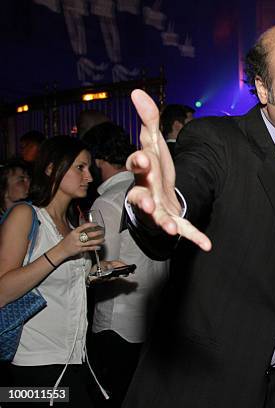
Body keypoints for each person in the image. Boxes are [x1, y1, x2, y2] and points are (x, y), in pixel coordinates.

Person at [123, 22, 275, 407]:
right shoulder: (217, 141)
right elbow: (189, 183)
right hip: (199, 384)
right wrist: (161, 208)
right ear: (263, 89)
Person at [0, 136, 122, 407]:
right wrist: (62, 250)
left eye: (89, 168)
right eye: (80, 167)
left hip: (74, 358)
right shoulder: (26, 215)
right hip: (35, 368)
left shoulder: (71, 222)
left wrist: (95, 273)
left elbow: (58, 283)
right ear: (51, 168)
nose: (89, 177)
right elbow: (2, 291)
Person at [82, 123, 170, 407]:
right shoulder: (151, 190)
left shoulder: (105, 202)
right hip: (153, 316)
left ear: (98, 161)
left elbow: (103, 268)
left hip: (117, 322)